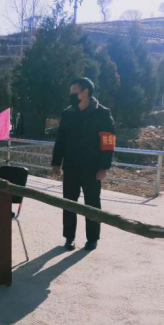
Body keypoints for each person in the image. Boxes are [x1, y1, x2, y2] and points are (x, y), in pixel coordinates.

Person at [52, 77, 116, 252]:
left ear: (85, 92)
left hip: (92, 167)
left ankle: (92, 238)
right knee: (69, 202)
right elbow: (61, 140)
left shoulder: (102, 113)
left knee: (92, 203)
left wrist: (104, 167)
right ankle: (69, 237)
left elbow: (108, 141)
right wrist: (56, 163)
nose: (71, 95)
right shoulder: (68, 113)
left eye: (74, 91)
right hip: (71, 166)